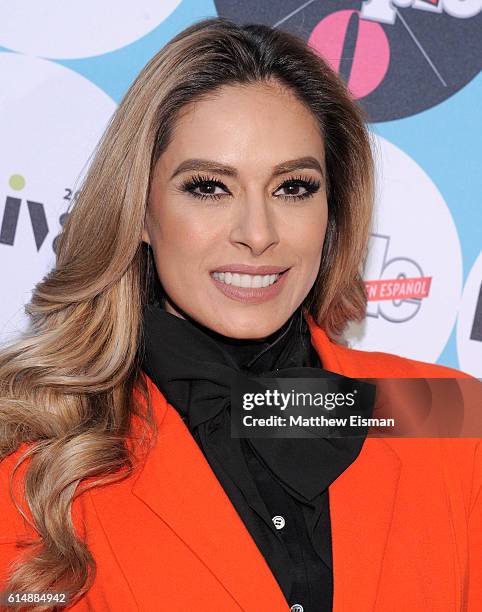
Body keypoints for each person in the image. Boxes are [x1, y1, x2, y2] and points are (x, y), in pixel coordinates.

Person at [0, 16, 480, 612]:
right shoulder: (34, 459)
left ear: (333, 209)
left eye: (293, 188)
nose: (258, 234)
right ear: (141, 212)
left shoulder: (453, 416)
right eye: (208, 187)